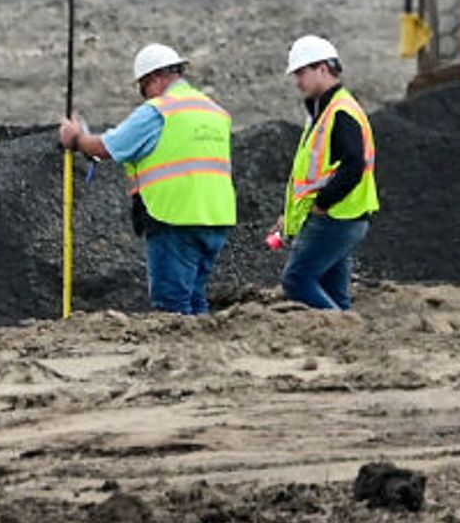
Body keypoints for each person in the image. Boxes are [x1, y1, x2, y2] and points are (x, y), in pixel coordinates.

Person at [58, 41, 237, 314]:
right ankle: (202, 353)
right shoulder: (214, 111)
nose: (146, 96)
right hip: (216, 217)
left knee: (172, 304)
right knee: (196, 297)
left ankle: (179, 354)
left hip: (175, 217)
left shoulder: (159, 111)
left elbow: (107, 147)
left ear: (154, 79)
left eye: (143, 88)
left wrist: (76, 138)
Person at [270, 33, 379, 311]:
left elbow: (354, 164)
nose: (297, 81)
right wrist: (290, 215)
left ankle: (341, 329)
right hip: (339, 218)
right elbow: (311, 175)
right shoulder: (325, 111)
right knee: (334, 292)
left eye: (301, 73)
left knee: (297, 280)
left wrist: (322, 204)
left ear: (323, 69)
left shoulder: (340, 112)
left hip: (336, 218)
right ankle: (347, 340)